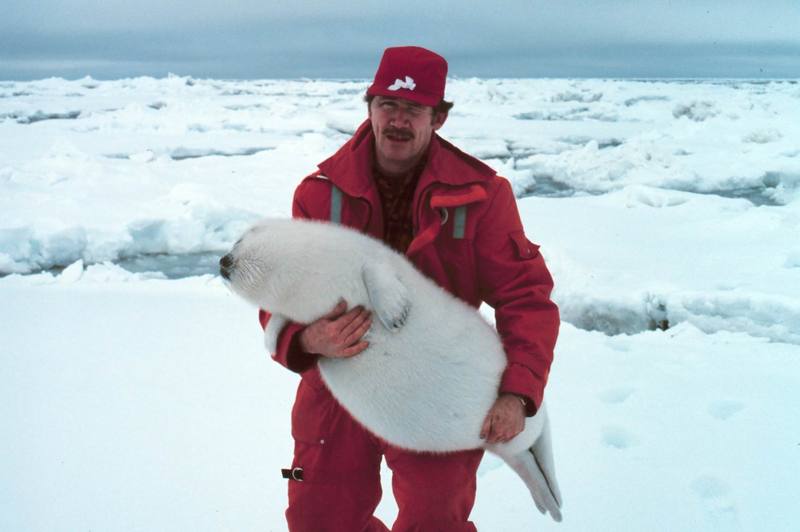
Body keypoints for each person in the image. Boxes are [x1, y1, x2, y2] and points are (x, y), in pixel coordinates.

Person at [258, 46, 560, 532]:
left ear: (437, 117)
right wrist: (308, 340)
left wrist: (518, 394)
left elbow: (526, 300)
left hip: (434, 390)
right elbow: (279, 294)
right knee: (319, 520)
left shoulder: (481, 196)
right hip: (340, 385)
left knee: (435, 518)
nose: (398, 121)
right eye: (388, 106)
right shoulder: (319, 193)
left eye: (414, 109)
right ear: (370, 107)